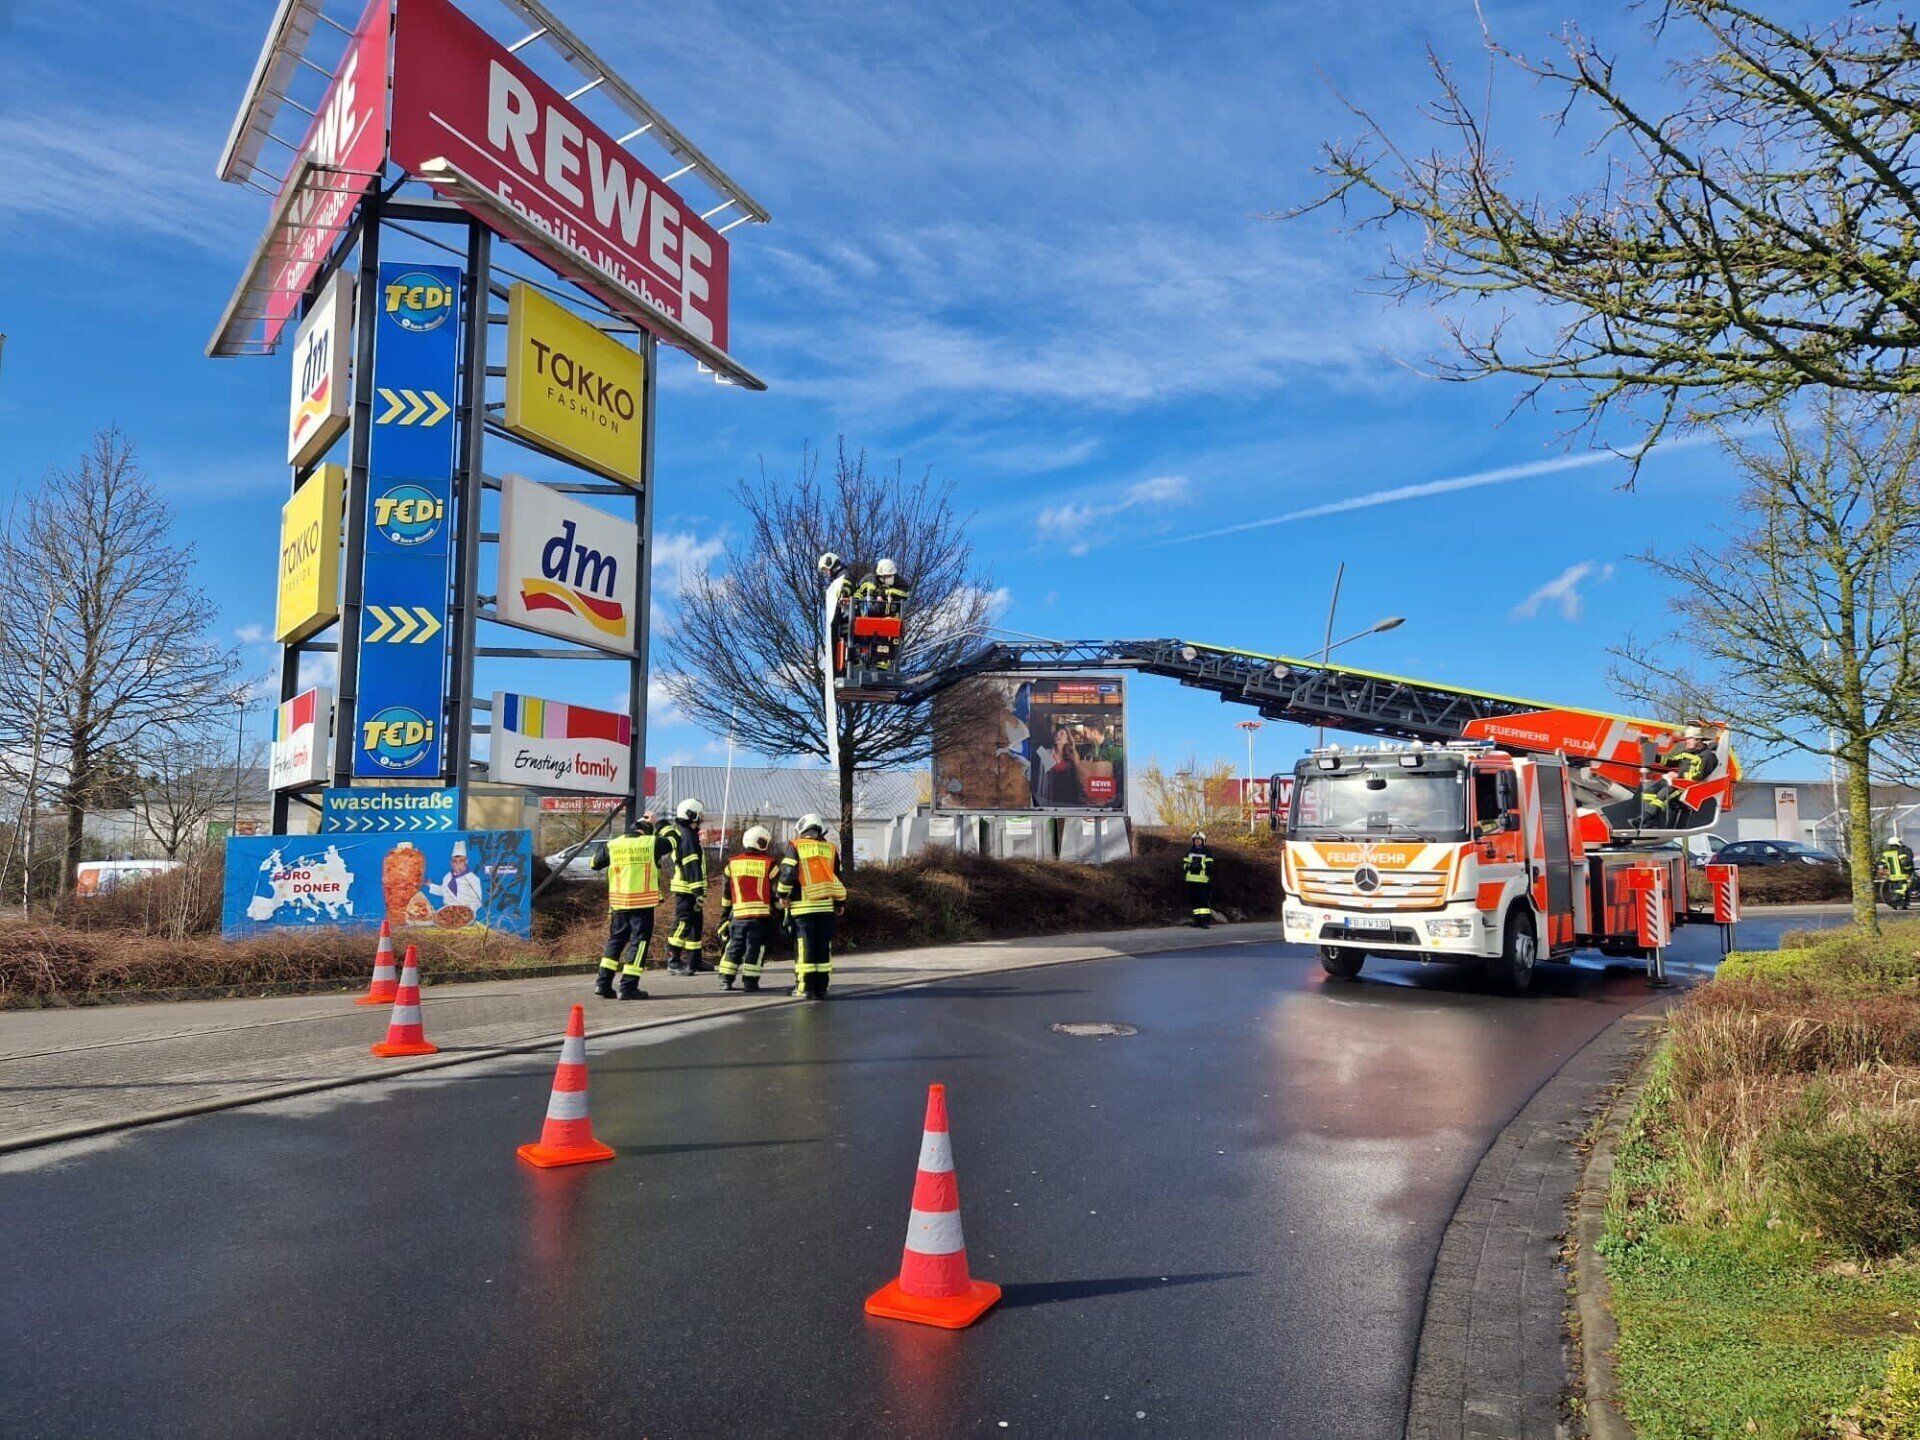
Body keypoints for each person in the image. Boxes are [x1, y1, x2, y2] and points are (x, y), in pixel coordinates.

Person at [591, 814, 663, 1000]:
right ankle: (628, 987)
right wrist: (658, 822)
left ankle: (603, 984)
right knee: (638, 943)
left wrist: (605, 849)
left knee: (615, 941)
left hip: (619, 903)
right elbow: (674, 840)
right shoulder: (650, 842)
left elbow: (593, 864)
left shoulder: (614, 844)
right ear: (647, 832)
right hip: (642, 903)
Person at [777, 812, 847, 999]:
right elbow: (837, 877)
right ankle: (821, 988)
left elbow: (788, 873)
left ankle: (804, 988)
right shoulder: (831, 848)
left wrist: (782, 894)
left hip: (803, 908)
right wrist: (840, 901)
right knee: (823, 948)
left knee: (805, 948)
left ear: (801, 829)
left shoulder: (796, 846)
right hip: (826, 908)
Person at [718, 825, 778, 991]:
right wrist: (781, 911)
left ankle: (725, 980)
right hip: (760, 916)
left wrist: (725, 915)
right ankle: (750, 982)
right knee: (755, 948)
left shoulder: (732, 864)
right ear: (761, 843)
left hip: (737, 915)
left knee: (734, 946)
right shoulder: (770, 865)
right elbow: (776, 893)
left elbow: (726, 894)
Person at [665, 797, 708, 975]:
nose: (702, 817)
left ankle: (694, 960)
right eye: (700, 814)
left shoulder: (688, 834)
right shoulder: (687, 836)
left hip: (690, 888)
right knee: (683, 923)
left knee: (696, 924)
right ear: (692, 815)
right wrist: (698, 891)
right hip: (687, 889)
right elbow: (691, 865)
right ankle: (673, 961)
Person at [429, 840, 484, 913]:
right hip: (448, 913)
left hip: (466, 915)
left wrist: (465, 911)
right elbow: (445, 891)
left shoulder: (473, 879)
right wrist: (430, 885)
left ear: (466, 861)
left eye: (461, 861)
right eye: (455, 861)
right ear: (451, 863)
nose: (458, 864)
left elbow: (478, 901)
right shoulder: (447, 876)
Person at [1183, 831, 1214, 927]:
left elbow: (1210, 866)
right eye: (1195, 840)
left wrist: (1200, 866)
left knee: (1203, 901)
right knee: (1194, 901)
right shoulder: (1189, 852)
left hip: (1202, 880)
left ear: (1203, 841)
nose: (1197, 841)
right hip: (1191, 880)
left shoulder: (1207, 852)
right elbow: (1184, 865)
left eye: (1199, 840)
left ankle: (1205, 921)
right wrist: (1188, 866)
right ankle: (1197, 921)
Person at [1883, 837, 1915, 909]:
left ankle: (1902, 903)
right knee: (1902, 888)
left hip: (1892, 876)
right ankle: (1895, 900)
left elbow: (1882, 863)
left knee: (1895, 889)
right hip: (1901, 874)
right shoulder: (1901, 851)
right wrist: (1909, 869)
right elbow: (1905, 862)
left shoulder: (1886, 852)